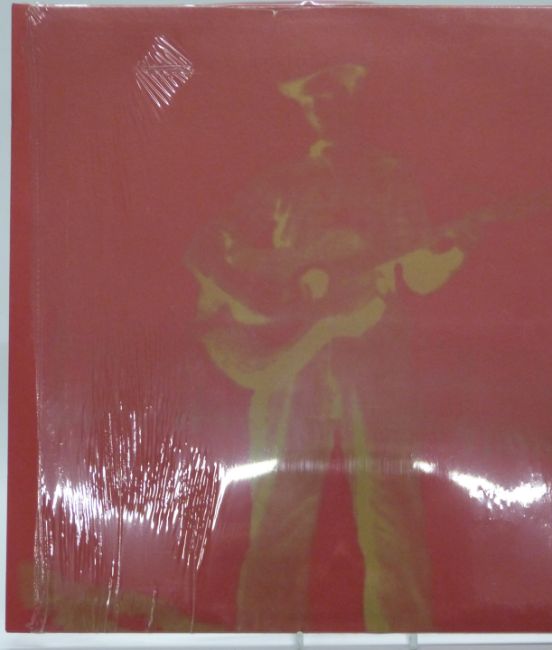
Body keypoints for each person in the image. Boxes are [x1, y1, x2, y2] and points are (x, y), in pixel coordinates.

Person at [186, 64, 476, 632]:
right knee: (277, 516)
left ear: (353, 99)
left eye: (333, 96)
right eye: (311, 98)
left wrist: (442, 261)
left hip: (376, 364)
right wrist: (261, 303)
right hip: (293, 365)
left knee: (392, 516)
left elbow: (416, 274)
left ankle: (403, 638)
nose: (322, 107)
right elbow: (208, 252)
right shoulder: (280, 181)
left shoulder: (391, 177)